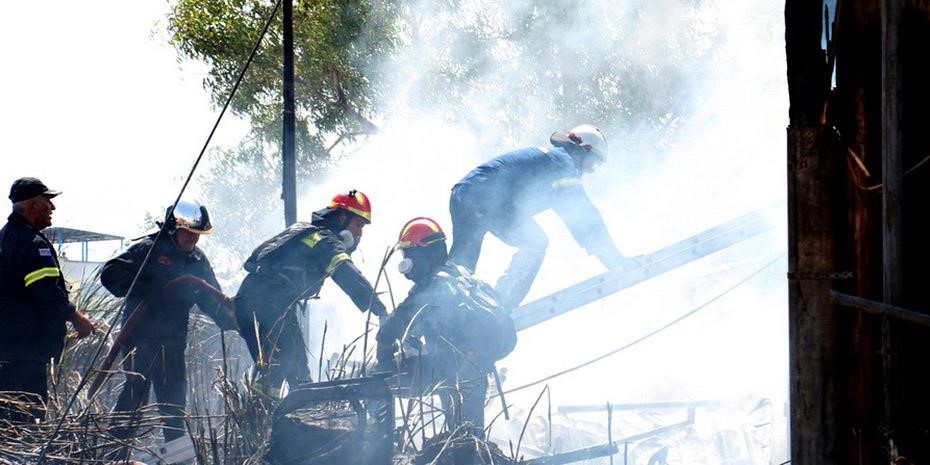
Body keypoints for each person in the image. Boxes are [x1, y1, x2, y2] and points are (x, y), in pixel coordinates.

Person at [449, 124, 639, 309]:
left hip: (465, 193)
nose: (591, 170)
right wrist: (616, 260)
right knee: (535, 242)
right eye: (594, 162)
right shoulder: (563, 164)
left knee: (459, 271)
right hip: (486, 200)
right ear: (583, 150)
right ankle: (503, 302)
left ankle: (442, 313)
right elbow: (586, 219)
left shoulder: (553, 160)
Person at [100, 199, 234, 443]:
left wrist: (233, 320)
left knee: (174, 402)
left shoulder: (197, 260)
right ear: (173, 226)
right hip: (139, 338)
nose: (193, 239)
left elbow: (210, 297)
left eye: (198, 234)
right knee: (135, 396)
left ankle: (176, 456)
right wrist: (147, 288)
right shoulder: (149, 249)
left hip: (173, 342)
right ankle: (114, 452)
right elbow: (110, 273)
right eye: (189, 232)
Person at [235, 190, 387, 396]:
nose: (360, 234)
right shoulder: (324, 240)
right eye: (358, 225)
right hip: (268, 306)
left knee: (291, 375)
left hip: (261, 304)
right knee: (288, 374)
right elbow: (347, 275)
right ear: (342, 218)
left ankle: (263, 419)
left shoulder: (309, 234)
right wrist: (380, 310)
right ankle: (269, 418)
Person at [377, 217, 516, 430]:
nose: (406, 262)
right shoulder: (460, 275)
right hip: (470, 362)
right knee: (467, 429)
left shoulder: (435, 284)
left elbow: (399, 321)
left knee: (377, 382)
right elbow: (426, 320)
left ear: (422, 253)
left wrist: (384, 350)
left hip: (461, 365)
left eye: (408, 253)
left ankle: (376, 440)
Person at [0, 177, 95, 422]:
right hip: (27, 350)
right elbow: (46, 291)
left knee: (7, 418)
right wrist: (76, 317)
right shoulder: (32, 243)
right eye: (47, 202)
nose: (52, 208)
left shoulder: (5, 237)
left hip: (8, 349)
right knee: (28, 418)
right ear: (33, 207)